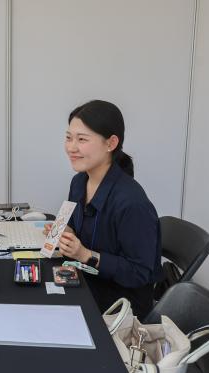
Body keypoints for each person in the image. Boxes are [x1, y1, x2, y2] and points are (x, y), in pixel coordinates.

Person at [45, 99, 161, 317]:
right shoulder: (79, 182)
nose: (72, 147)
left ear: (110, 143)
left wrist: (86, 254)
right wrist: (63, 233)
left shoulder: (132, 203)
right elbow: (73, 227)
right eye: (68, 138)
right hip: (88, 279)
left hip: (120, 303)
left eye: (82, 139)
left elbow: (140, 273)